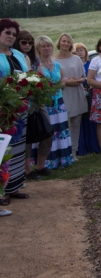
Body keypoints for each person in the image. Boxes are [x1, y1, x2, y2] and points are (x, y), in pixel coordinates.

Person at [31, 35, 74, 170]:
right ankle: (45, 162)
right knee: (47, 132)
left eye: (48, 45)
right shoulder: (36, 66)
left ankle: (63, 159)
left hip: (58, 102)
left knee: (60, 131)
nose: (47, 48)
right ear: (38, 48)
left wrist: (61, 84)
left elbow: (63, 82)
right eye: (43, 46)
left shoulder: (57, 65)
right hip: (44, 103)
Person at [0, 19, 31, 207]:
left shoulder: (18, 54)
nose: (11, 36)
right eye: (7, 32)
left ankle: (13, 186)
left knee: (17, 149)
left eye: (13, 34)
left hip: (19, 109)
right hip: (2, 110)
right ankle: (1, 190)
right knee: (2, 150)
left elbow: (28, 77)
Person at [54, 33, 88, 161]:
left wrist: (78, 80)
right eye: (63, 41)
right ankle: (62, 152)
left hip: (76, 92)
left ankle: (73, 152)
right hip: (62, 93)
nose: (66, 43)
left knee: (75, 124)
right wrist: (66, 82)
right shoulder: (53, 59)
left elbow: (84, 77)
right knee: (62, 125)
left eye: (68, 41)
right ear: (59, 42)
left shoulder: (76, 59)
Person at [13, 29, 38, 178]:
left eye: (30, 42)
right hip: (13, 100)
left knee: (26, 136)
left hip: (28, 100)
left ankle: (26, 168)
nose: (27, 45)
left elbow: (30, 77)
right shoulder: (15, 56)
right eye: (24, 42)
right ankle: (24, 169)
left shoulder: (27, 57)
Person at [74, 42, 101, 156]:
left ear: (85, 52)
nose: (80, 53)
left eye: (82, 50)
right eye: (77, 51)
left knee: (92, 118)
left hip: (91, 93)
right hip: (78, 93)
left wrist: (92, 85)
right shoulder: (74, 64)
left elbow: (97, 77)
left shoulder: (91, 63)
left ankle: (94, 145)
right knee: (80, 119)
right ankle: (81, 146)